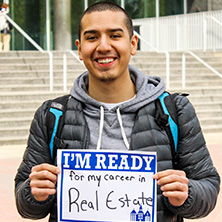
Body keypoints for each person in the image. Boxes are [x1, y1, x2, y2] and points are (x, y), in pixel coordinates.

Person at [15, 2, 220, 222]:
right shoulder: (52, 115)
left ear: (133, 44)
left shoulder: (174, 111)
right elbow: (25, 203)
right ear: (79, 48)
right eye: (92, 37)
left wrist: (187, 194)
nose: (103, 46)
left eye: (114, 36)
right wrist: (34, 194)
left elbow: (207, 186)